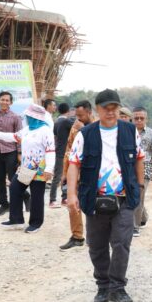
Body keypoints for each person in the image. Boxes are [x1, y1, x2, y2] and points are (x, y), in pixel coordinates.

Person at [66, 89, 144, 302]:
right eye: (105, 108)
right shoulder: (85, 134)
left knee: (121, 243)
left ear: (119, 109)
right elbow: (74, 164)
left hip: (124, 198)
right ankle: (103, 286)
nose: (110, 112)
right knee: (97, 245)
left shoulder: (130, 131)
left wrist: (139, 186)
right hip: (94, 198)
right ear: (97, 110)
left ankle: (118, 288)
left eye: (114, 108)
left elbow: (139, 158)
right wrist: (71, 194)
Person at [0, 104, 55, 233]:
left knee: (37, 195)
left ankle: (36, 224)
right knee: (15, 188)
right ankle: (16, 220)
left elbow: (50, 150)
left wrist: (49, 168)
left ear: (34, 117)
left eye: (28, 116)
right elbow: (14, 137)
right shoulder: (26, 130)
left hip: (40, 168)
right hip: (26, 166)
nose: (26, 118)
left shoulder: (45, 131)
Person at [59, 100, 95, 251]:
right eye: (77, 116)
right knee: (72, 204)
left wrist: (85, 129)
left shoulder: (99, 126)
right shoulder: (75, 127)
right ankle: (77, 236)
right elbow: (69, 150)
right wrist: (64, 172)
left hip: (93, 173)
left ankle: (94, 238)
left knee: (94, 205)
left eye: (81, 115)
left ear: (89, 112)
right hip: (75, 172)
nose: (78, 119)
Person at [132, 106, 152, 236]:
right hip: (129, 167)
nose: (139, 120)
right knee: (132, 195)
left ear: (146, 119)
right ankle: (143, 217)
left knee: (139, 195)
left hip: (145, 168)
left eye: (142, 118)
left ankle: (135, 226)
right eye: (136, 118)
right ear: (132, 119)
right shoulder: (127, 131)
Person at [49, 102, 73, 208]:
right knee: (58, 176)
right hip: (64, 152)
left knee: (62, 176)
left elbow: (55, 136)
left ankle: (64, 198)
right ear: (68, 111)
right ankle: (52, 200)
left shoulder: (56, 122)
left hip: (58, 151)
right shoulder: (67, 121)